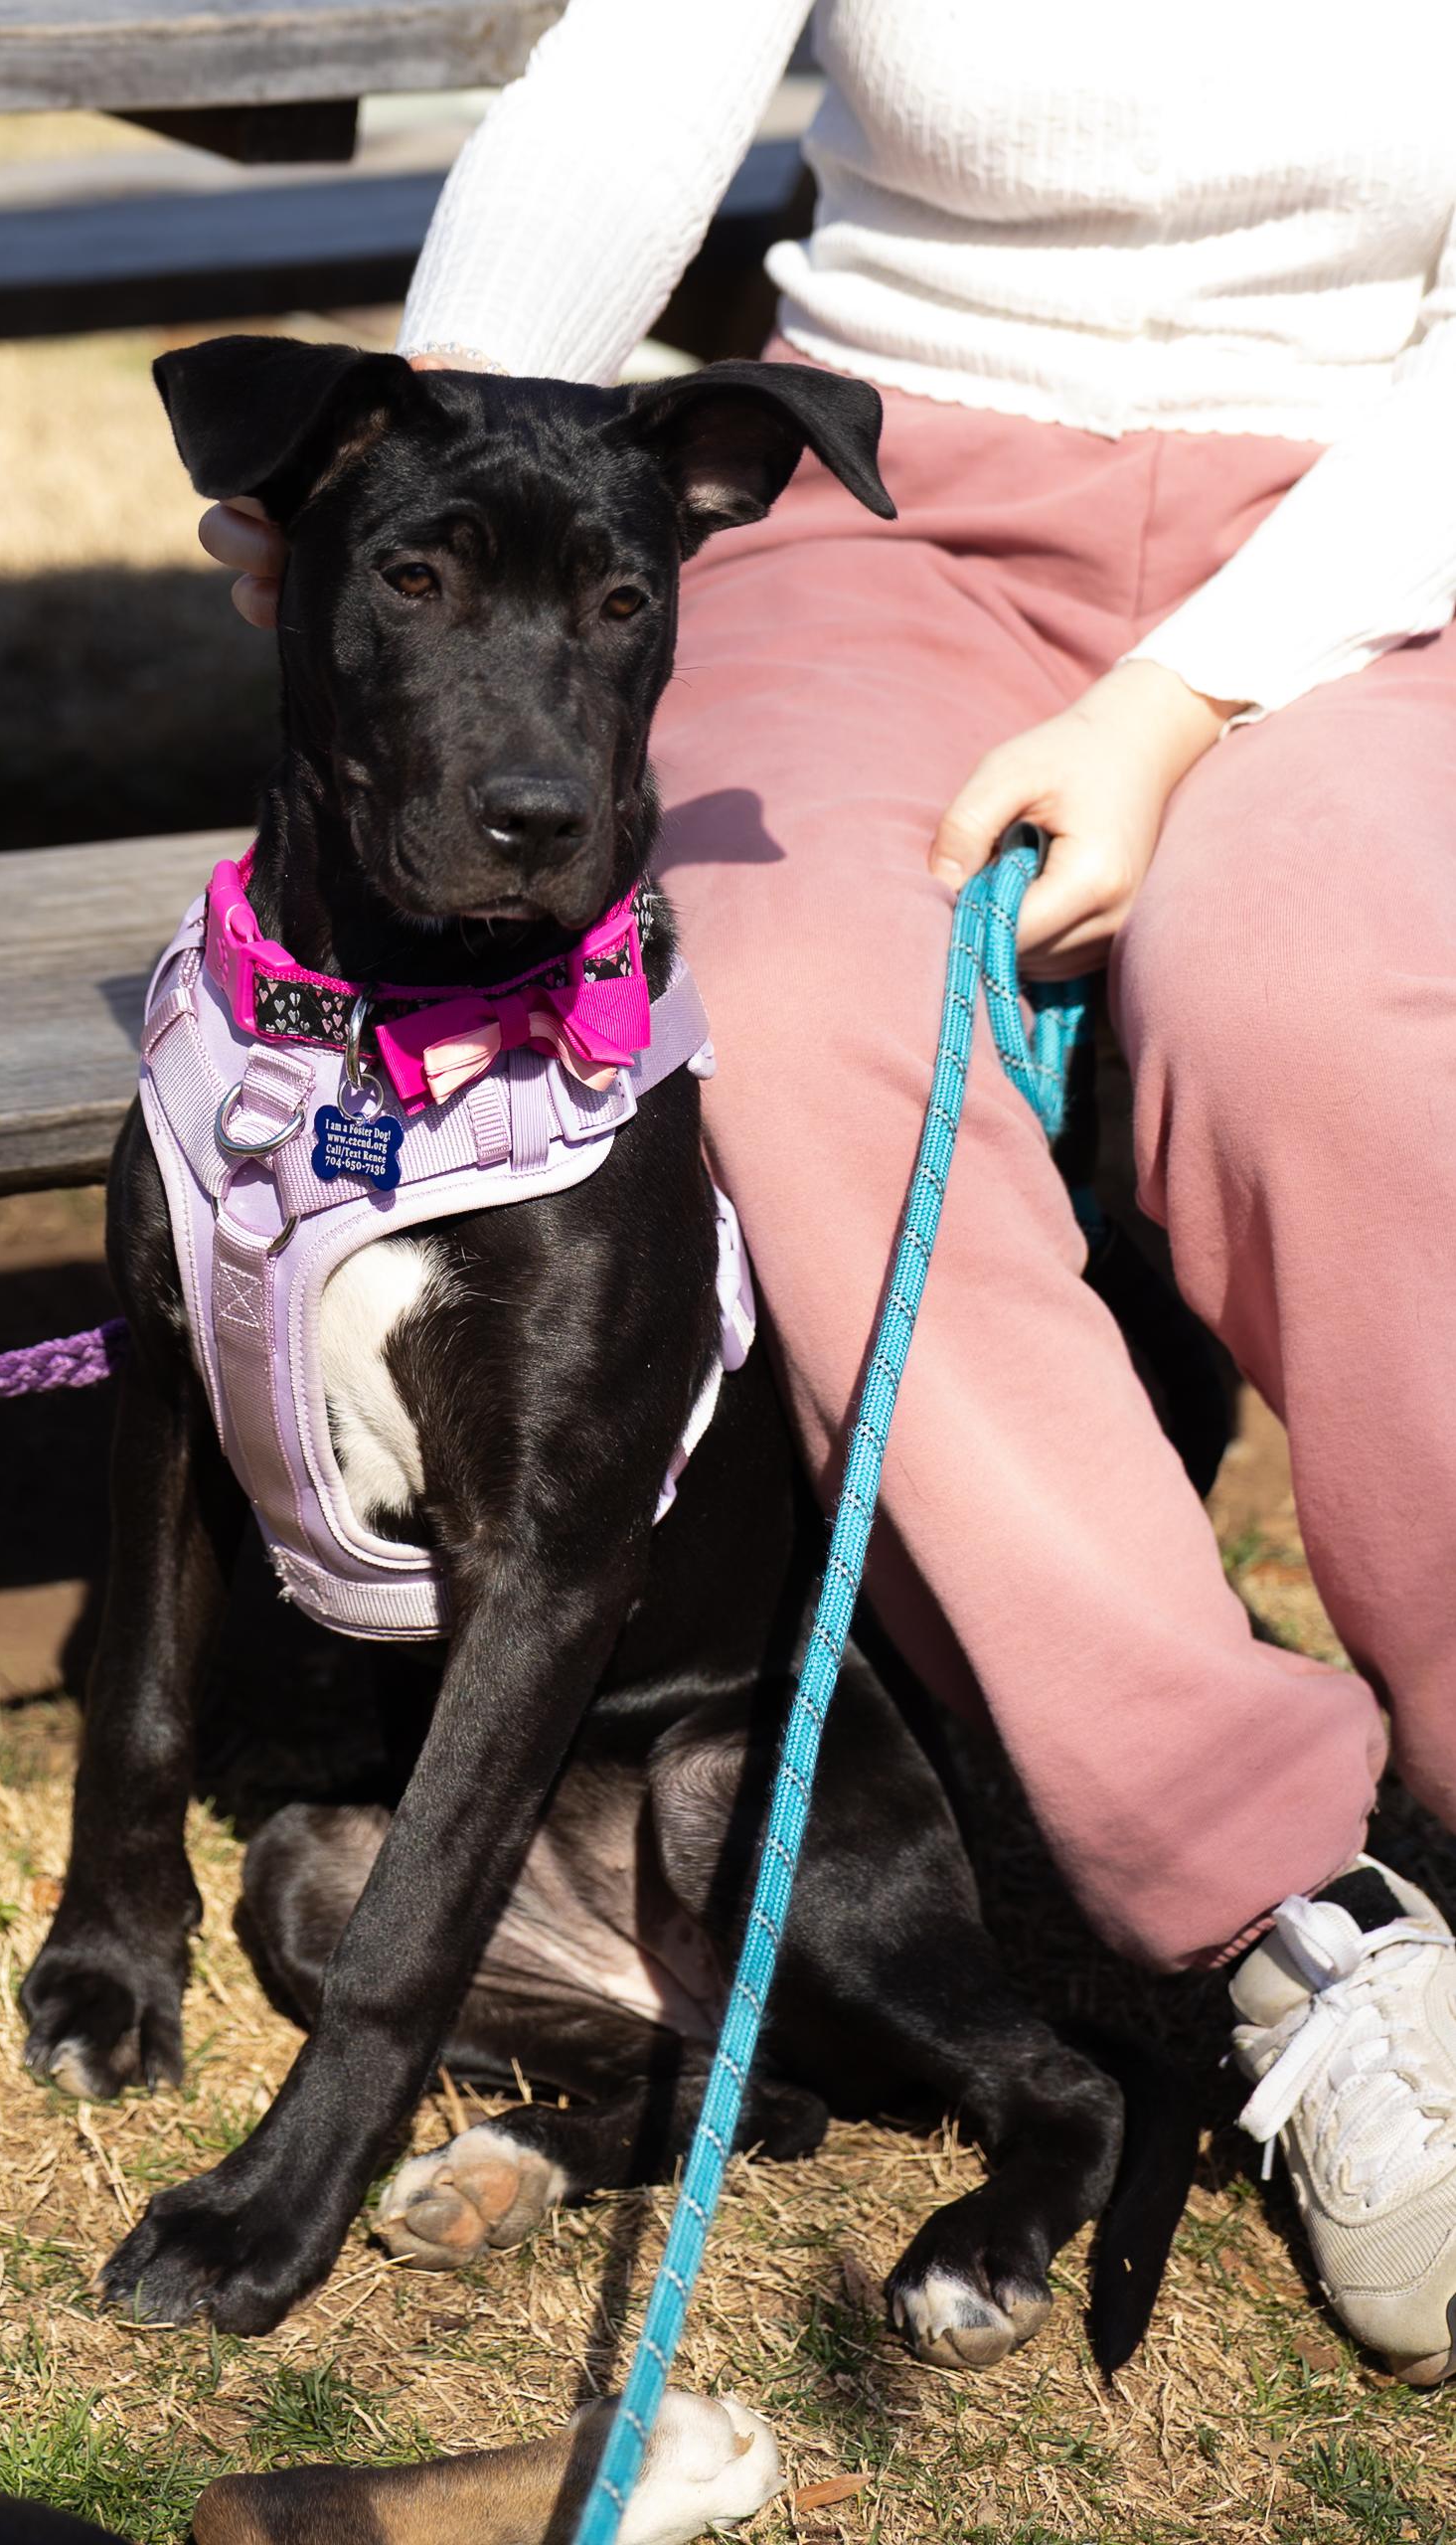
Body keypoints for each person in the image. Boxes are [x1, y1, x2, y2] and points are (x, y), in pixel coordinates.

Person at [200, 0, 1456, 2384]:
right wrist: (409, 472)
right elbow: (631, 96)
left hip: (1384, 529)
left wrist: (1177, 704)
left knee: (1316, 1005)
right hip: (898, 494)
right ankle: (1284, 1903)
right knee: (771, 1002)